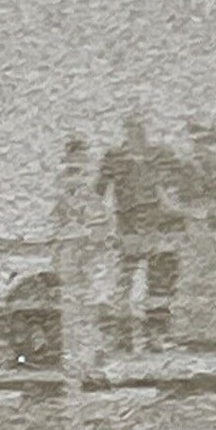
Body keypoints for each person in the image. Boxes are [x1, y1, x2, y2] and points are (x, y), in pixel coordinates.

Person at [95, 114, 185, 352]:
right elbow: (100, 193)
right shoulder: (114, 159)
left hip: (157, 229)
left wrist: (175, 214)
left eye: (141, 127)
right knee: (122, 285)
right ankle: (122, 338)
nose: (137, 133)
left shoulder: (160, 156)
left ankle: (156, 336)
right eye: (132, 128)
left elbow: (176, 189)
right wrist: (107, 227)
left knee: (159, 285)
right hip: (129, 229)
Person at [161, 122, 216, 351]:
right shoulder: (183, 169)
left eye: (207, 144)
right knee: (192, 278)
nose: (202, 149)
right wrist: (192, 210)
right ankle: (191, 335)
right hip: (193, 228)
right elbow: (169, 201)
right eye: (198, 144)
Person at [53, 134, 113, 366]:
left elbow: (101, 227)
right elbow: (58, 226)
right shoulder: (64, 199)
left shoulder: (91, 199)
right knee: (71, 311)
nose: (75, 176)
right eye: (72, 170)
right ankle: (76, 359)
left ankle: (92, 359)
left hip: (89, 258)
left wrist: (91, 238)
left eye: (79, 170)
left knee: (91, 310)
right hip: (71, 258)